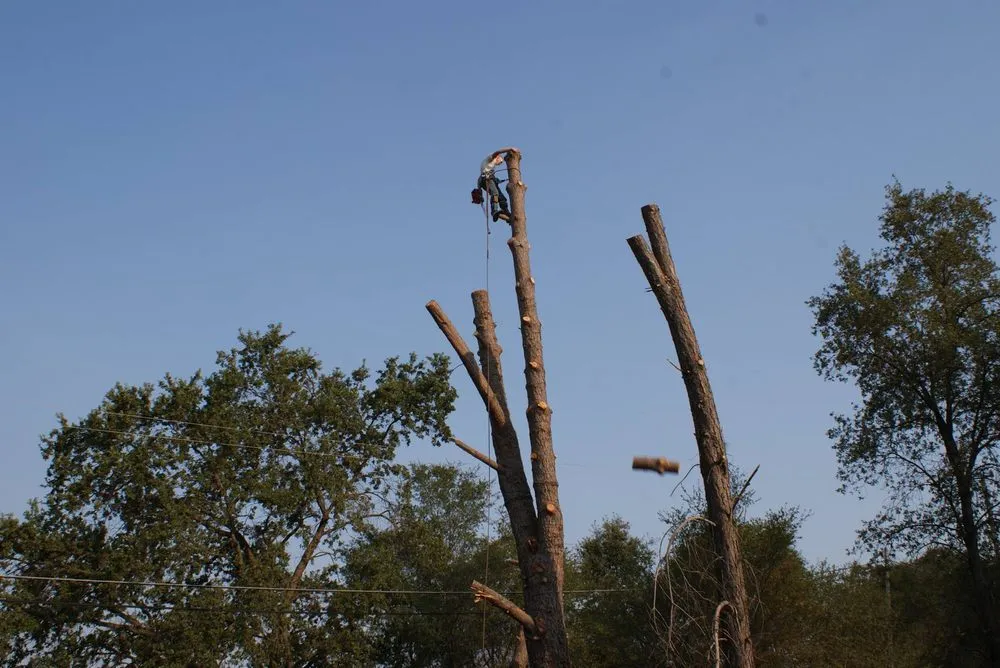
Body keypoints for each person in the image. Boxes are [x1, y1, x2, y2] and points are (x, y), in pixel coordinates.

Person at [473, 150, 512, 223]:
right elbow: (498, 152)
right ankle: (494, 210)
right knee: (495, 193)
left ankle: (506, 212)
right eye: (500, 162)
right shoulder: (490, 159)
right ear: (497, 157)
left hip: (490, 179)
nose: (500, 164)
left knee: (501, 197)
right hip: (486, 179)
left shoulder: (491, 166)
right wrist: (510, 149)